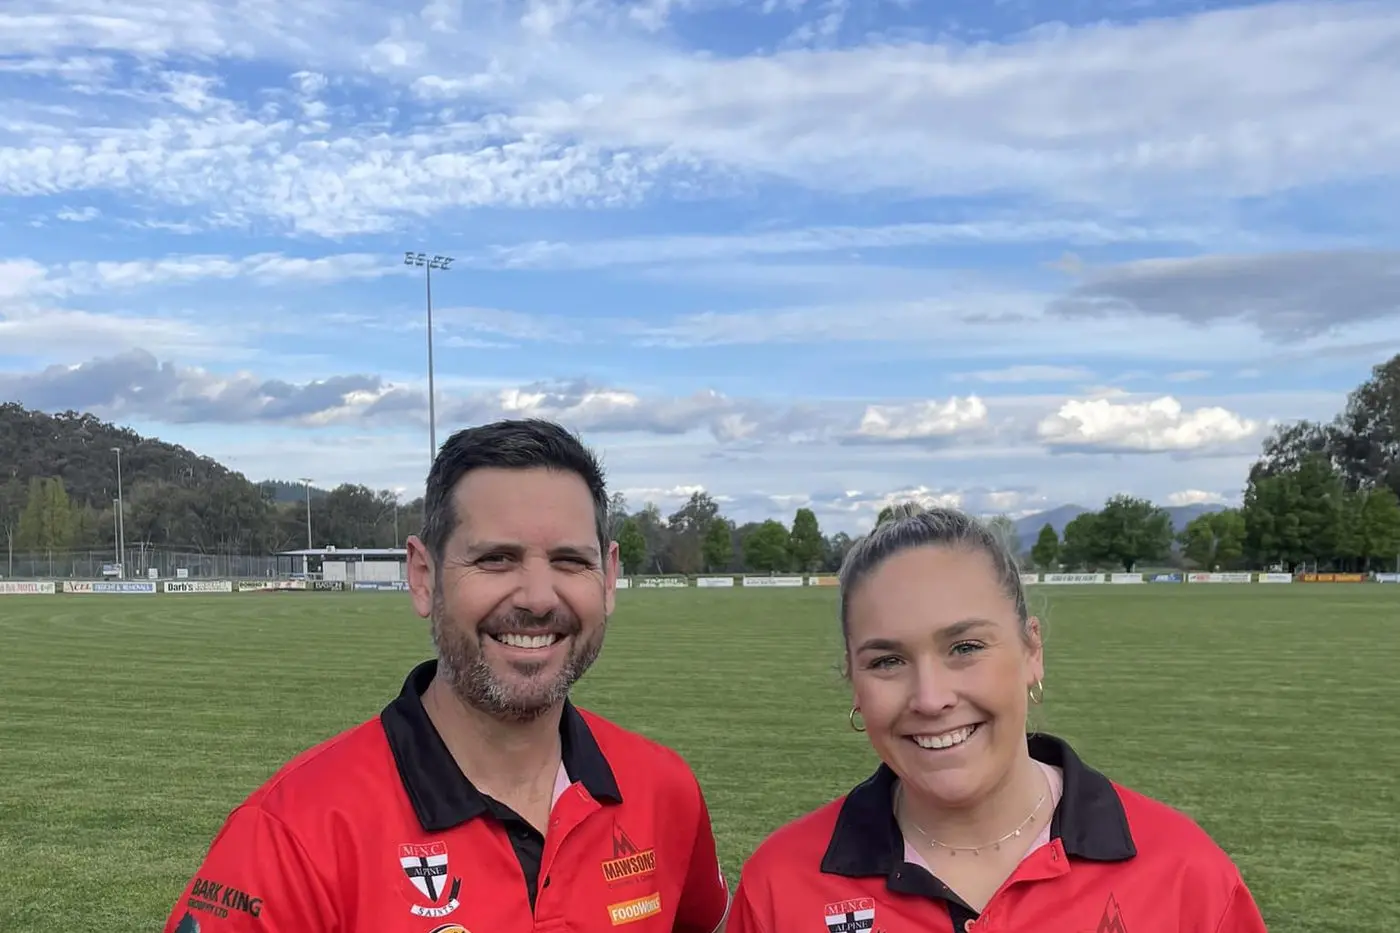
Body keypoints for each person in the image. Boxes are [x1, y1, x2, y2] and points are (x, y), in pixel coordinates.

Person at [162, 419, 731, 933]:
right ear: (423, 576)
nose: (537, 598)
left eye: (569, 561)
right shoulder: (290, 834)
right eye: (494, 559)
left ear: (607, 578)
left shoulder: (664, 791)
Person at [725, 503, 1269, 933]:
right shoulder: (782, 884)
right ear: (854, 680)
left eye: (965, 647)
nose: (931, 698)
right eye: (887, 661)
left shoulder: (1182, 874)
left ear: (1032, 650)